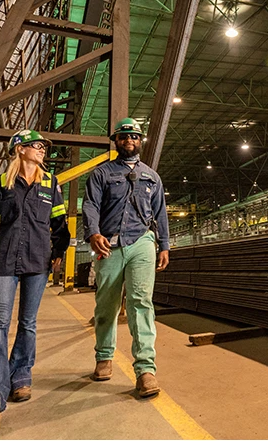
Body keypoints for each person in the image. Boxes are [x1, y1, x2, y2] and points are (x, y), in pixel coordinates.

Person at [0, 129, 70, 423]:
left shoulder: (50, 184)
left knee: (28, 324)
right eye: (36, 146)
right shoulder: (2, 183)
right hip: (4, 260)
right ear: (19, 149)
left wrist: (59, 251)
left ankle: (20, 377)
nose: (42, 150)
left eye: (44, 147)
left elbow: (59, 223)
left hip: (37, 262)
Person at [83, 117, 169, 397]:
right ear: (116, 141)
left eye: (133, 136)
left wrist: (164, 244)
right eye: (123, 137)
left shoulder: (151, 177)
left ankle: (146, 370)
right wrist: (93, 233)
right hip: (109, 245)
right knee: (106, 304)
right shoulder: (101, 174)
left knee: (141, 302)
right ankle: (104, 357)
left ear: (139, 141)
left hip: (142, 242)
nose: (129, 140)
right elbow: (91, 205)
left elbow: (160, 213)